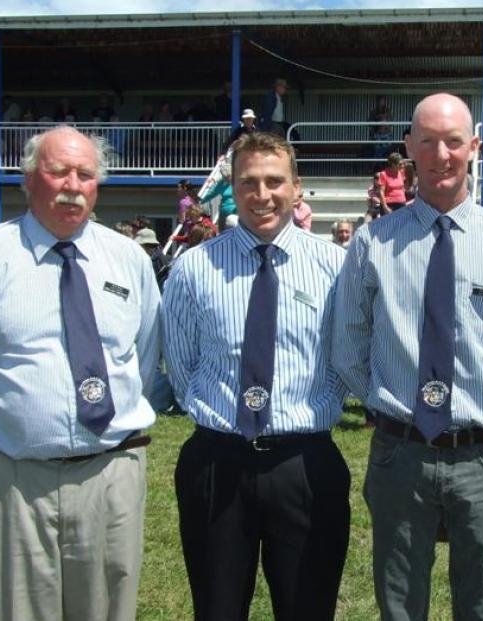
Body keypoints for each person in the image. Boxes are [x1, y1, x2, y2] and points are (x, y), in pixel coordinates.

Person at [0, 126, 162, 621]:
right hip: (17, 480)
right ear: (29, 179)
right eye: (57, 171)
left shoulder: (128, 260)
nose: (72, 185)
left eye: (85, 174)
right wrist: (6, 428)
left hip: (111, 474)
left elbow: (144, 357)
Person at [331, 93, 483, 621]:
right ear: (408, 150)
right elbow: (349, 346)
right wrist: (393, 402)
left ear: (474, 146)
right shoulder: (373, 243)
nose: (441, 154)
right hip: (400, 453)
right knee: (400, 605)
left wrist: (482, 399)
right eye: (427, 141)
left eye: (453, 141)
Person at [163, 131, 350, 621]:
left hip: (305, 464)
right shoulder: (194, 270)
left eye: (274, 181)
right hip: (216, 463)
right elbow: (182, 367)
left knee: (308, 609)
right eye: (248, 182)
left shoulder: (336, 266)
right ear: (232, 186)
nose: (261, 194)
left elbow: (344, 360)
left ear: (296, 188)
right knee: (218, 610)